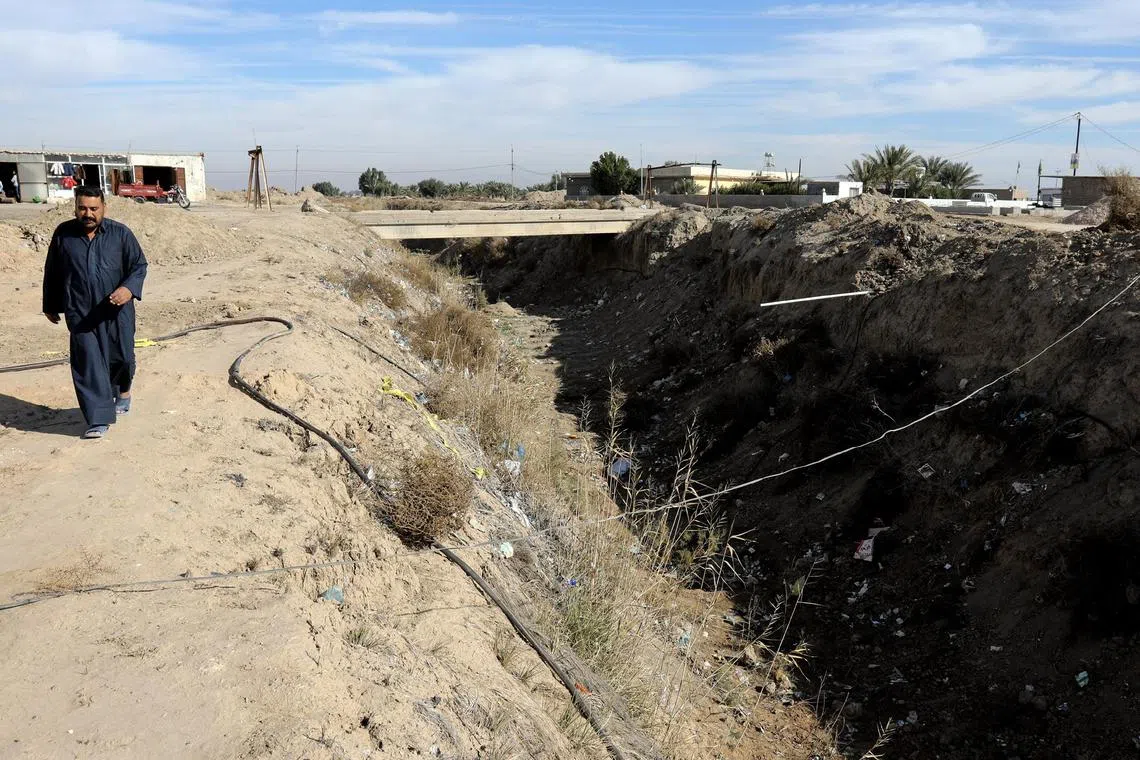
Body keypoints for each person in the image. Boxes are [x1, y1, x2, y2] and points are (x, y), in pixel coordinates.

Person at [42, 187, 148, 439]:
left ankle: (122, 391)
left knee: (121, 357)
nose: (87, 214)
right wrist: (50, 304)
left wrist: (128, 289)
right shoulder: (63, 234)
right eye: (82, 208)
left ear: (103, 208)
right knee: (88, 363)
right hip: (79, 312)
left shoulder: (120, 234)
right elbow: (53, 271)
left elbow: (139, 265)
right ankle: (98, 419)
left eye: (93, 209)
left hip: (116, 311)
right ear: (75, 207)